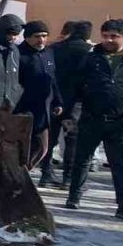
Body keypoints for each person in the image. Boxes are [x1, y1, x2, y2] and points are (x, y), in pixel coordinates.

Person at [65, 19, 123, 217]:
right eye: (106, 35)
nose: (109, 40)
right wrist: (68, 113)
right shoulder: (92, 58)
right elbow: (75, 86)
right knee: (82, 159)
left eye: (114, 36)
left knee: (120, 164)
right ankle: (74, 197)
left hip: (120, 121)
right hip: (92, 117)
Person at [46, 20, 94, 187]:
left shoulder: (54, 48)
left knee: (50, 137)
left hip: (53, 99)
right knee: (72, 139)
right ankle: (68, 178)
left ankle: (45, 174)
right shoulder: (88, 51)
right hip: (76, 102)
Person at [15, 20, 63, 171]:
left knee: (42, 148)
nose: (41, 40)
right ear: (27, 37)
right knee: (21, 147)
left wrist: (58, 102)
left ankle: (23, 173)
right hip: (22, 109)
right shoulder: (18, 54)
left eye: (44, 36)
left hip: (43, 110)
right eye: (37, 36)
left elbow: (52, 79)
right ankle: (17, 176)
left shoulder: (48, 53)